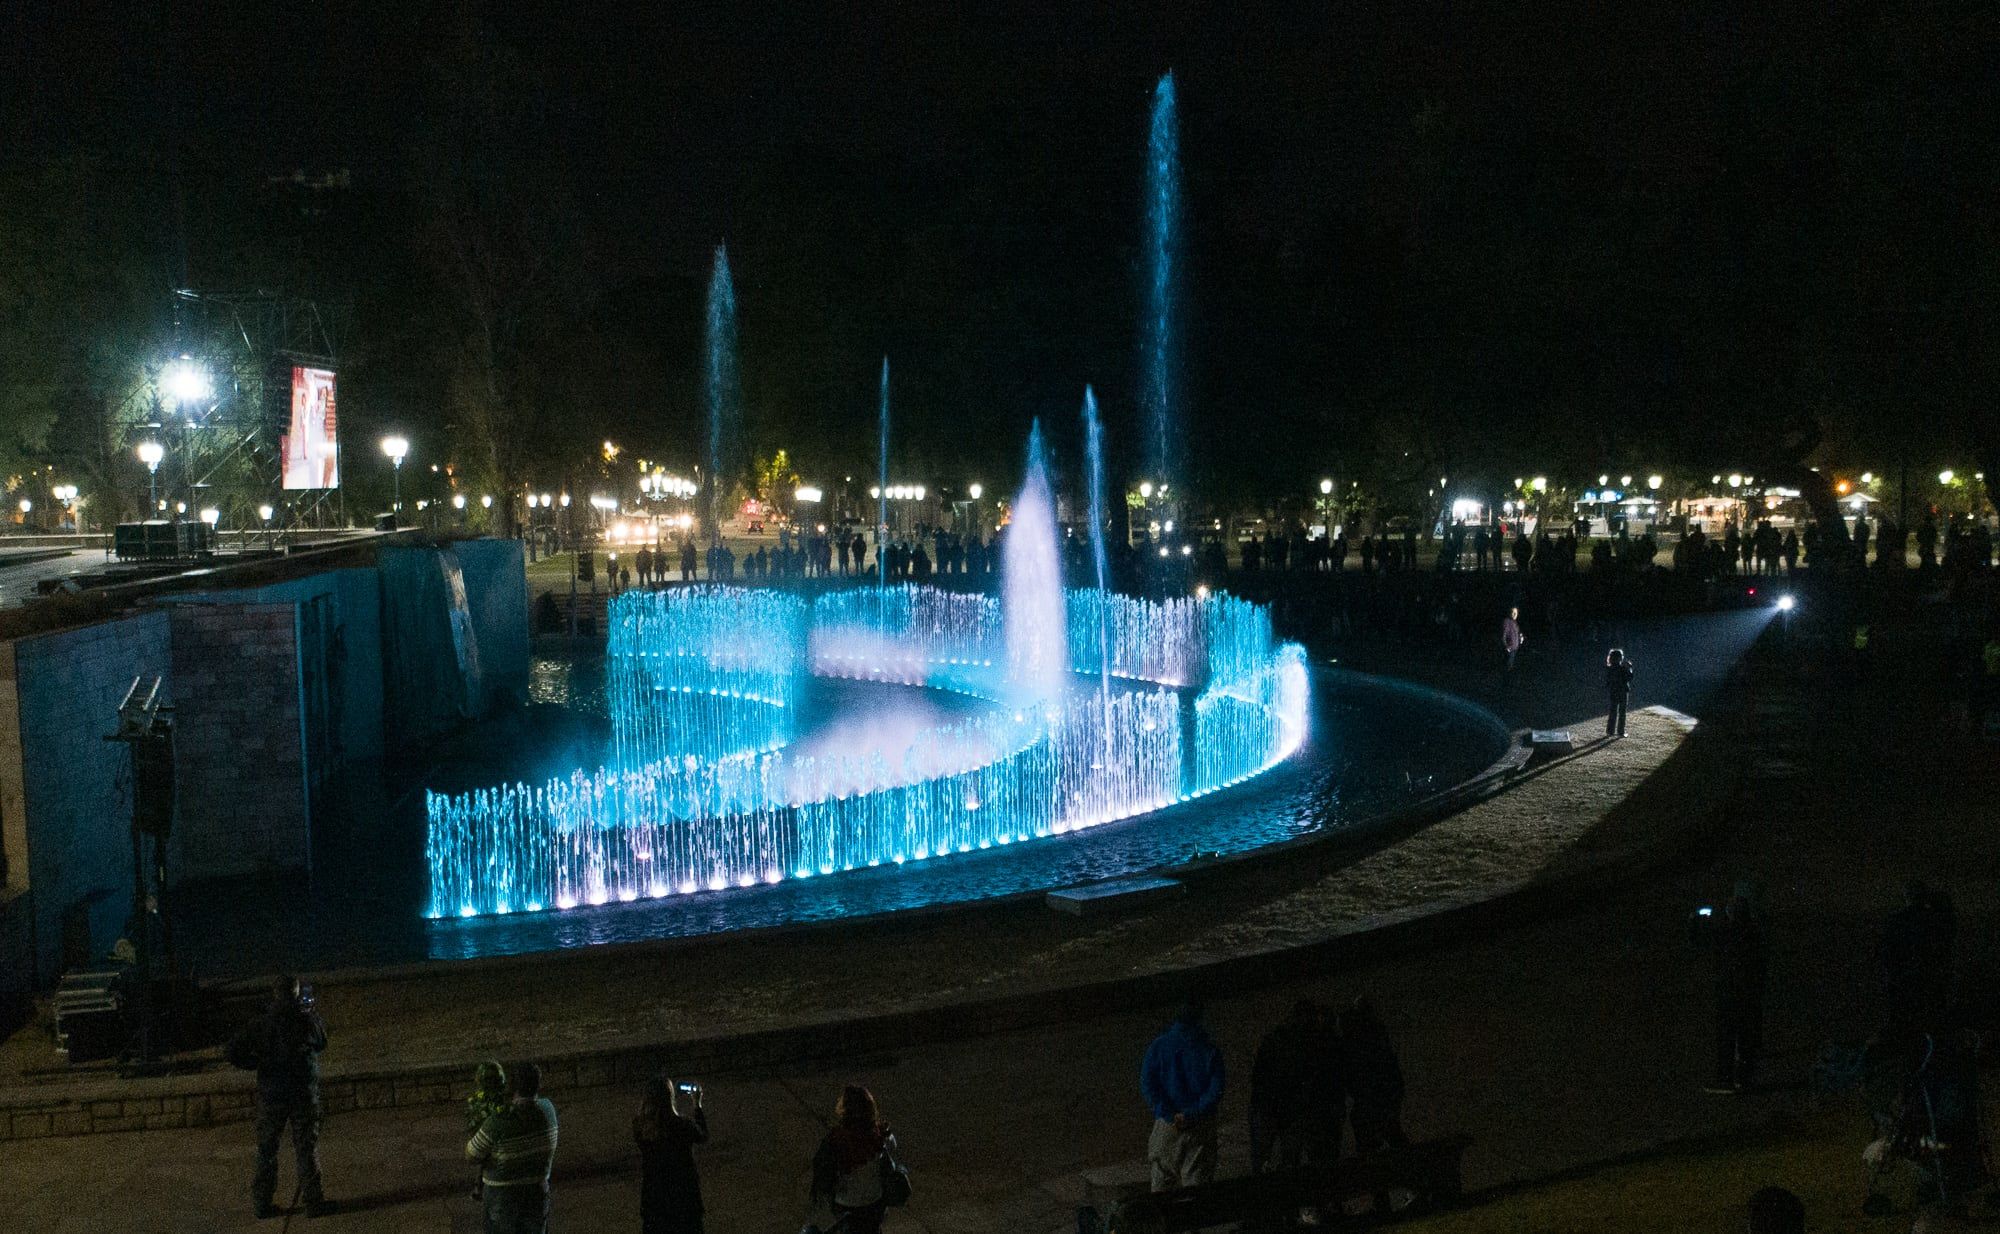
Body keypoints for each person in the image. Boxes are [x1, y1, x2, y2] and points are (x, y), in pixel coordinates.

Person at [229, 974, 333, 1219]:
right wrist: (312, 1014)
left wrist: (253, 1063)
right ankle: (313, 1202)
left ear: (276, 994)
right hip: (301, 1093)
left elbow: (233, 1050)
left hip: (272, 1093)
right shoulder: (305, 1020)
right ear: (296, 993)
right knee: (306, 1148)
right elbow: (322, 1042)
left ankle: (262, 1203)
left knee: (266, 1149)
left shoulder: (262, 1023)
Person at [1140, 999, 1226, 1192]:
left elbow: (1148, 1084)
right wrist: (1193, 1112)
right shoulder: (1209, 1049)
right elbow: (1216, 1089)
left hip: (1168, 1125)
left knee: (1162, 1186)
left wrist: (1168, 1113)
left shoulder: (1159, 1046)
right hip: (1199, 1126)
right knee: (1197, 1188)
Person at [1248, 998, 1341, 1174]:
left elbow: (1258, 1075)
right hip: (1284, 1109)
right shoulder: (1306, 1044)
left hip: (1271, 1107)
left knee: (1265, 1159)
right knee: (1289, 1159)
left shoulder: (1277, 1038)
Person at [467, 1061, 560, 1234]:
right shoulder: (548, 1110)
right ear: (539, 1084)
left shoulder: (498, 1121)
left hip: (502, 1196)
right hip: (537, 1191)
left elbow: (472, 1154)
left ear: (511, 1086)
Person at [1696, 888, 1767, 1093]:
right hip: (1750, 993)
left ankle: (1725, 1080)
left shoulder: (1724, 934)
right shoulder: (1754, 933)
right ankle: (1745, 1080)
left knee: (1726, 1037)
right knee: (1746, 1037)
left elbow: (1700, 941)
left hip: (1730, 993)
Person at [810, 1085, 896, 1234]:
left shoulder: (836, 1139)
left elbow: (823, 1169)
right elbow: (893, 1149)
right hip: (874, 1200)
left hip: (845, 1202)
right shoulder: (880, 1135)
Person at [635, 1075, 708, 1234]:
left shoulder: (641, 1128)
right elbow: (703, 1135)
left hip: (655, 1199)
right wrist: (697, 1105)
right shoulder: (682, 1126)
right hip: (684, 1197)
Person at [1605, 648, 1635, 738]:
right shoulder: (1622, 668)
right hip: (1622, 692)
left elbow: (1608, 681)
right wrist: (1629, 668)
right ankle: (1620, 731)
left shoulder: (1610, 668)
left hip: (1613, 691)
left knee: (1612, 711)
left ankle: (1610, 731)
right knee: (1622, 712)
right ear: (1619, 658)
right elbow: (1629, 678)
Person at [1501, 606, 1524, 671]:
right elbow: (1504, 635)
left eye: (1516, 613)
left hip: (1515, 647)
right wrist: (1506, 646)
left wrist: (1520, 637)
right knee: (1507, 666)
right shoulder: (1507, 622)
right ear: (1510, 613)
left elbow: (1517, 633)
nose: (1514, 614)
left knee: (1511, 664)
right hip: (1510, 648)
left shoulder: (1515, 622)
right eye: (1513, 612)